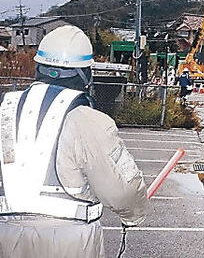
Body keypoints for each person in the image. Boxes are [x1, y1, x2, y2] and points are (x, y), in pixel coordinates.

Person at [0, 25, 149, 257]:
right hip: (68, 240)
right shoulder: (88, 120)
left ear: (38, 66)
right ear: (85, 74)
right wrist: (133, 215)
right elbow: (121, 191)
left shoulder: (4, 109)